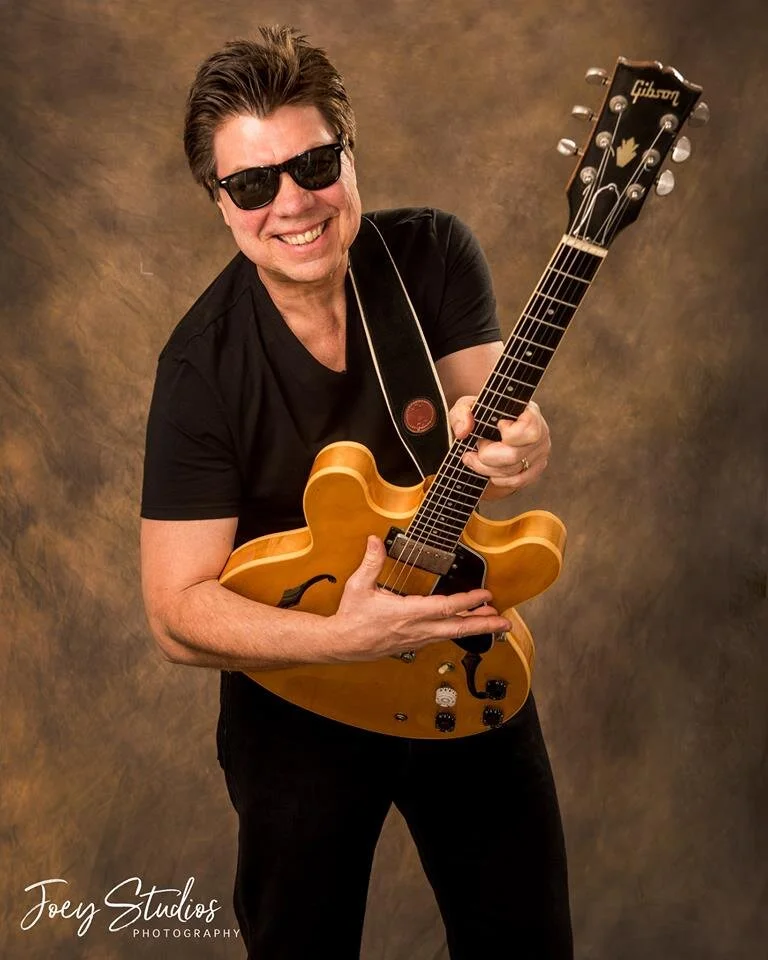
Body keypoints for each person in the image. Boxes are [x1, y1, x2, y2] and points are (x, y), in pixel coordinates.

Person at [140, 26, 572, 960]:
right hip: (299, 693)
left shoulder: (432, 254)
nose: (293, 203)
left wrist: (523, 442)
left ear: (349, 154)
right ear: (219, 203)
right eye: (253, 184)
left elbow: (494, 420)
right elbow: (175, 614)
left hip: (460, 649)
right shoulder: (200, 369)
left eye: (314, 165)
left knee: (525, 939)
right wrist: (347, 638)